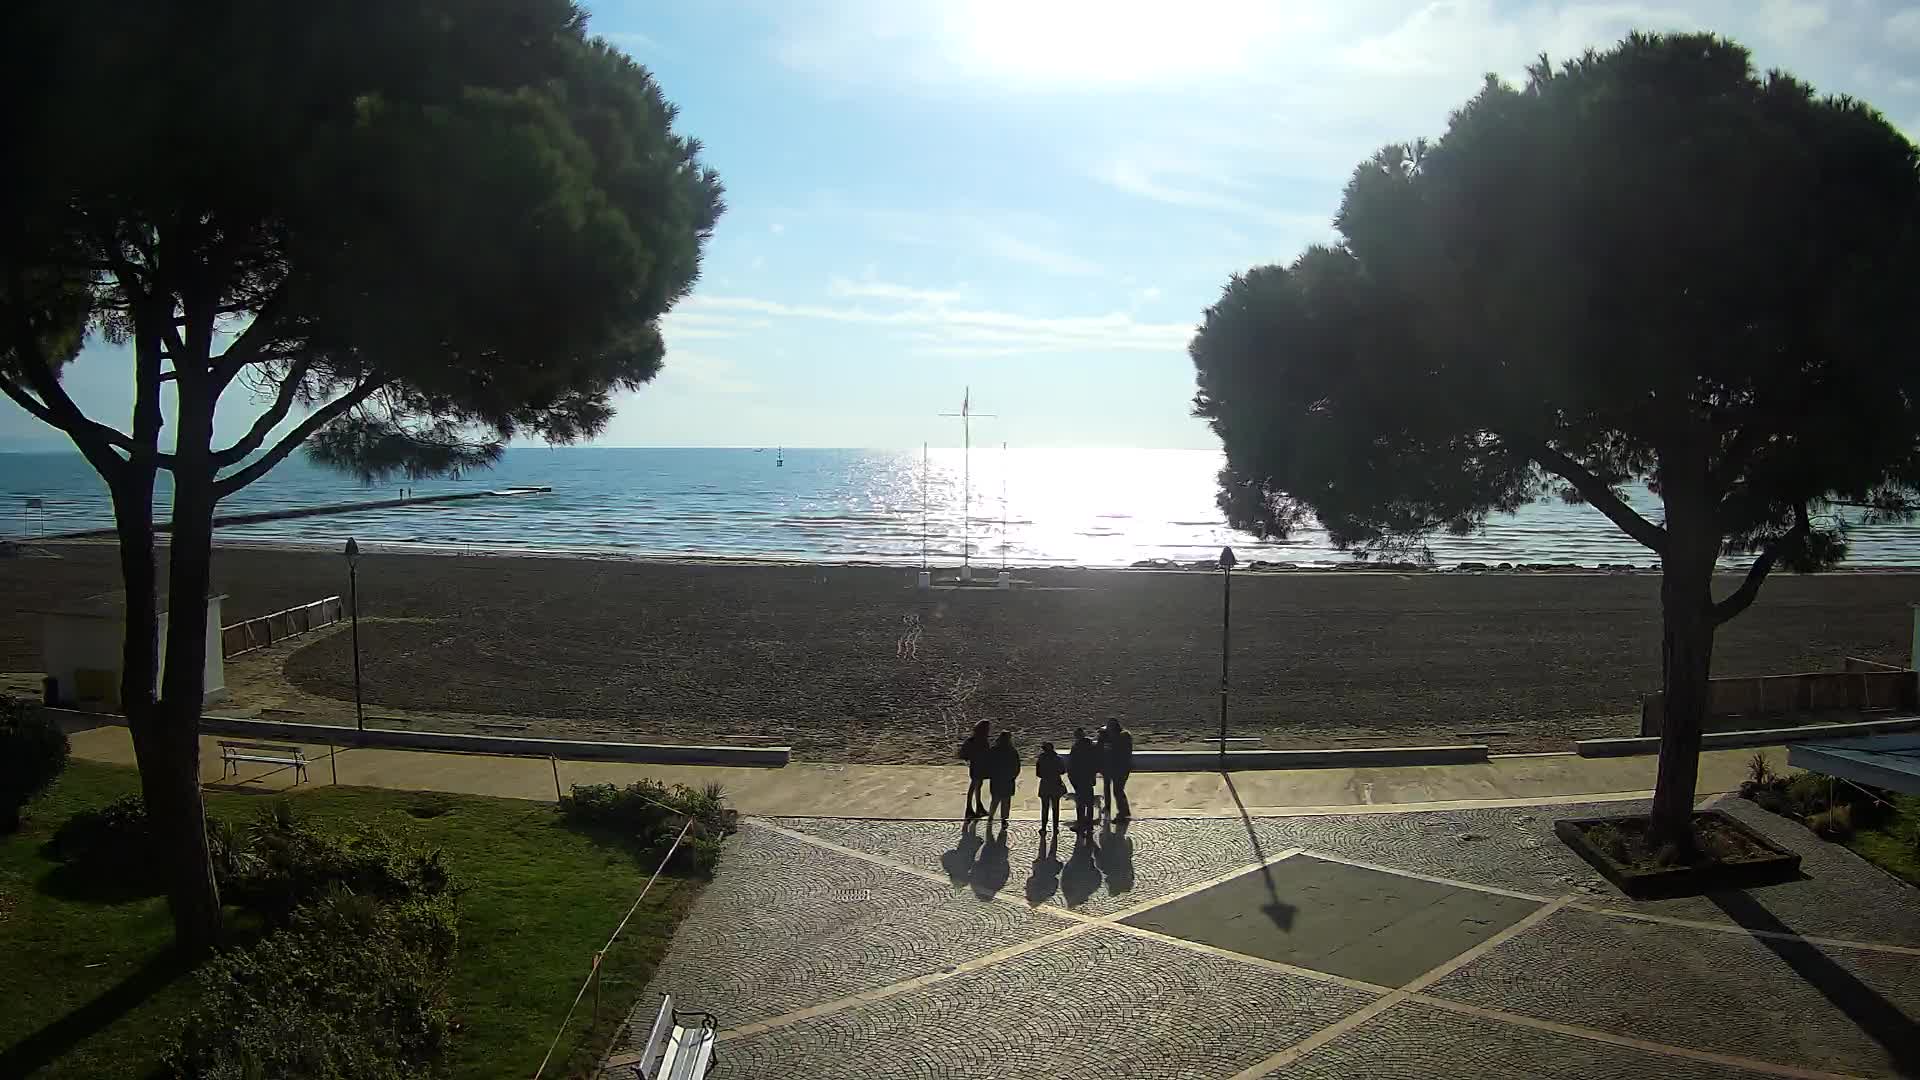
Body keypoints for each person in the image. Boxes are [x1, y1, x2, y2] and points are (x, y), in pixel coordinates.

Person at [1099, 718, 1133, 823]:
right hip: (1112, 767)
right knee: (1113, 790)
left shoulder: (1123, 736)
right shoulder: (1114, 737)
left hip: (1120, 769)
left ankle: (1123, 814)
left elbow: (1119, 751)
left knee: (1118, 791)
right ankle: (1120, 811)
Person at [1067, 727, 1100, 834]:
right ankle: (1089, 824)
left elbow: (1071, 766)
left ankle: (1081, 824)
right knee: (1089, 802)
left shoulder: (1076, 748)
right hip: (1088, 778)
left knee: (1080, 803)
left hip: (1079, 779)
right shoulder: (1091, 747)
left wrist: (1072, 780)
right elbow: (1095, 763)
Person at [985, 729, 1020, 829]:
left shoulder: (994, 750)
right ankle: (1004, 820)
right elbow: (1017, 766)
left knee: (995, 799)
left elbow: (989, 764)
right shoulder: (1012, 751)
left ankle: (990, 817)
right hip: (1008, 779)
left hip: (996, 779)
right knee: (1006, 801)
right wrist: (1013, 776)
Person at [957, 720, 991, 819]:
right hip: (978, 766)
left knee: (977, 786)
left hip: (977, 766)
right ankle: (969, 809)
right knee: (974, 787)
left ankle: (978, 807)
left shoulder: (974, 740)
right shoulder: (979, 740)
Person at [1034, 741, 1067, 833]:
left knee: (1044, 807)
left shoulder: (1041, 759)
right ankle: (1055, 828)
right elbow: (1063, 771)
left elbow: (1038, 773)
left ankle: (1044, 827)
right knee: (1055, 807)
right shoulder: (1058, 759)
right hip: (1055, 783)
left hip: (1045, 784)